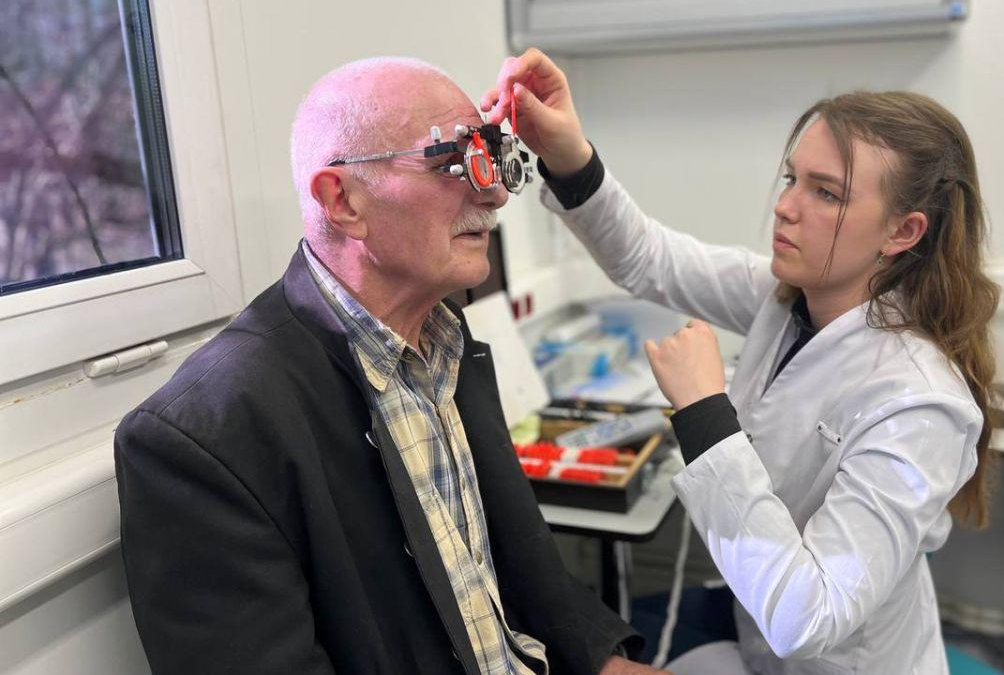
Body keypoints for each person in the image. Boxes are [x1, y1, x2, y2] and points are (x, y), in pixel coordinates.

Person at [114, 57, 662, 675]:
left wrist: (603, 660)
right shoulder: (204, 437)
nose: (496, 193)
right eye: (456, 161)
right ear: (342, 200)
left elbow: (520, 566)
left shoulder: (447, 343)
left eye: (491, 156)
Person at [482, 49, 1000, 675]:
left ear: (902, 233)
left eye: (826, 193)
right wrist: (568, 154)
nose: (786, 206)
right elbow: (650, 259)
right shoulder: (788, 299)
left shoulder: (919, 405)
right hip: (755, 638)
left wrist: (706, 413)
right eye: (792, 179)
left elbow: (807, 616)